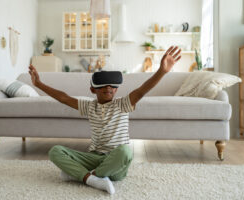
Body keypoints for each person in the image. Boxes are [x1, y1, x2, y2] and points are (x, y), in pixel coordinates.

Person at [28, 46, 181, 194]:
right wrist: (39, 84)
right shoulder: (89, 106)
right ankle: (93, 178)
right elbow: (64, 98)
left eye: (112, 85)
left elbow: (141, 91)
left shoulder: (122, 104)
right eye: (103, 85)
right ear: (92, 90)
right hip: (94, 157)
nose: (108, 87)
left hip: (115, 163)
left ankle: (82, 175)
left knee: (126, 151)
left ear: (116, 89)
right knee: (55, 151)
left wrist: (161, 71)